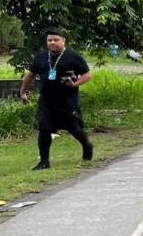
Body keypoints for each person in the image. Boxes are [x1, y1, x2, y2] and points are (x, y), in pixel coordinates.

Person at [19, 28, 93, 170]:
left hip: (67, 101)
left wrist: (75, 84)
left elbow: (87, 75)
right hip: (46, 100)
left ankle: (87, 145)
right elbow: (30, 76)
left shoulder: (73, 57)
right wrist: (23, 92)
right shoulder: (41, 57)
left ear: (63, 41)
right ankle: (44, 162)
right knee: (44, 128)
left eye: (56, 40)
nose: (52, 42)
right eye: (49, 40)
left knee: (74, 128)